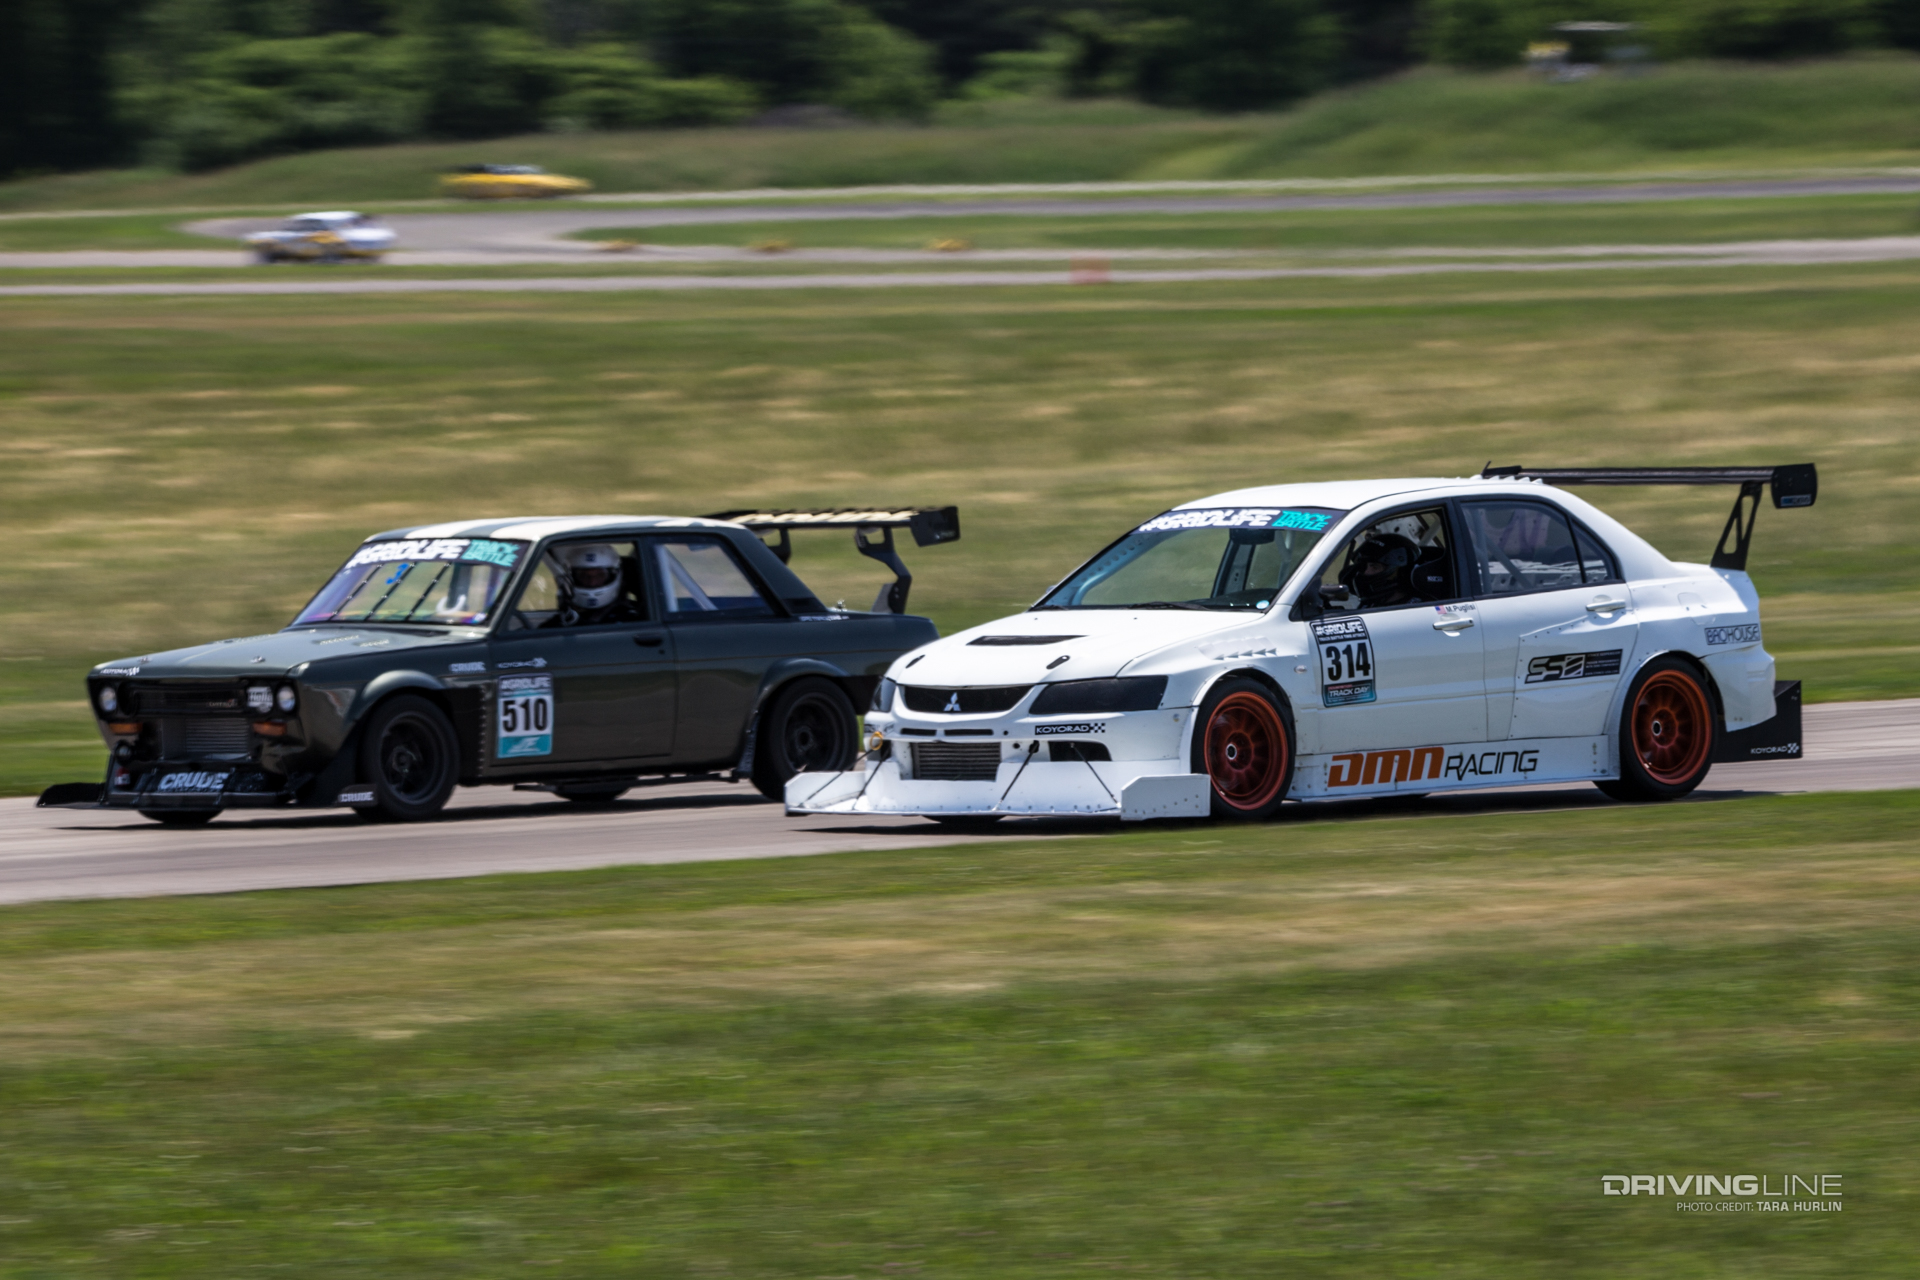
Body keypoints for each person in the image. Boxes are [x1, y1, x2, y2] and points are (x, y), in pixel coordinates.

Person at [549, 544, 644, 626]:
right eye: (583, 576)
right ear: (571, 578)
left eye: (600, 576)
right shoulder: (562, 620)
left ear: (613, 575)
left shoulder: (631, 620)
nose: (592, 582)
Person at [1342, 533, 1419, 608]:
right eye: (1365, 566)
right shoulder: (1371, 603)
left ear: (1399, 573)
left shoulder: (1411, 611)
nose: (1366, 572)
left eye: (1375, 567)